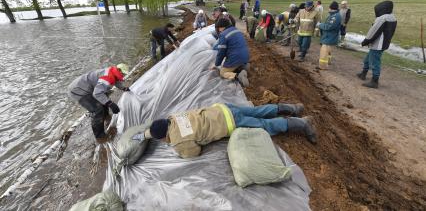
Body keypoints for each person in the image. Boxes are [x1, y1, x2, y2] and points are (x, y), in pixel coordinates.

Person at [144, 102, 316, 158]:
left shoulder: (177, 140)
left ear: (164, 137)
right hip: (223, 107)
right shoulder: (174, 118)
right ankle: (292, 107)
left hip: (228, 121)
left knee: (264, 125)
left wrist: (178, 150)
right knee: (257, 110)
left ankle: (301, 123)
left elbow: (193, 153)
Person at [68, 64, 130, 140]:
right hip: (78, 90)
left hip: (87, 86)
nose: (123, 75)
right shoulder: (107, 78)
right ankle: (99, 136)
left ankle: (106, 116)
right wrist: (111, 104)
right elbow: (97, 93)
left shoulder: (113, 72)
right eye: (123, 74)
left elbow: (115, 81)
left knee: (104, 98)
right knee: (97, 110)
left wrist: (123, 88)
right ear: (119, 70)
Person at [357, 1, 397, 88]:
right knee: (368, 59)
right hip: (384, 43)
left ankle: (375, 81)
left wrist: (365, 41)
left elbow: (374, 31)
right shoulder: (392, 17)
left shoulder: (382, 18)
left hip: (378, 44)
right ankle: (363, 73)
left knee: (375, 62)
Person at [213, 17, 250, 86]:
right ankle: (243, 66)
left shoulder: (223, 35)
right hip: (246, 56)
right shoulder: (237, 30)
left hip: (235, 58)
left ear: (222, 27)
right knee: (235, 61)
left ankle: (238, 76)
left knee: (222, 73)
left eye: (219, 28)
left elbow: (221, 52)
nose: (219, 30)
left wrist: (216, 64)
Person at [317, 1, 342, 70]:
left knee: (324, 51)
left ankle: (322, 66)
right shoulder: (333, 15)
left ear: (331, 8)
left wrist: (320, 25)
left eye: (329, 8)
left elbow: (329, 27)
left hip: (330, 37)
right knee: (328, 51)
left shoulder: (335, 16)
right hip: (328, 36)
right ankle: (328, 61)